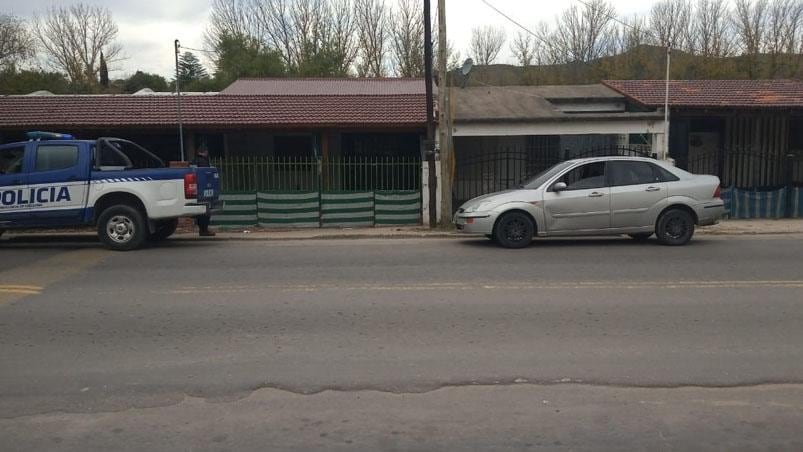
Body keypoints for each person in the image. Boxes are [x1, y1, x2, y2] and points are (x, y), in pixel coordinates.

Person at [192, 145, 216, 237]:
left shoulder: (194, 161)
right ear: (204, 152)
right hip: (204, 188)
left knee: (200, 210)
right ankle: (204, 230)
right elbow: (207, 174)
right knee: (205, 210)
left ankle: (202, 229)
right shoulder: (203, 161)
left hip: (196, 188)